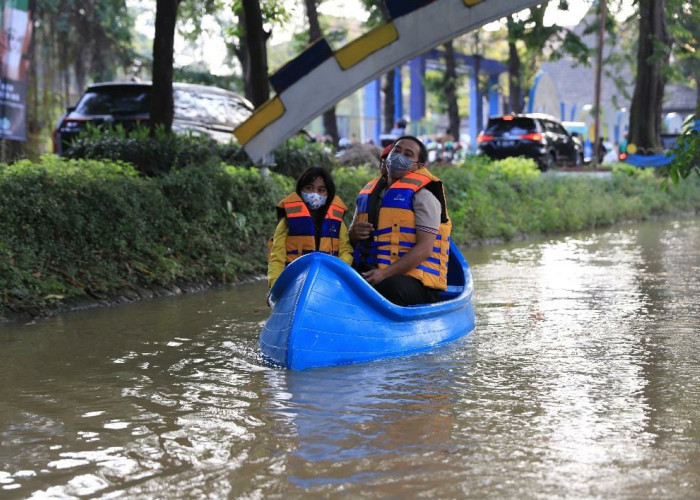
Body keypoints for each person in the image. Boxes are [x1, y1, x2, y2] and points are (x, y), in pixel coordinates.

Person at [349, 136, 452, 306]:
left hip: (416, 282)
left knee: (383, 287)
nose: (399, 156)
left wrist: (384, 273)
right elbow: (351, 237)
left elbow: (425, 249)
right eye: (396, 150)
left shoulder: (424, 197)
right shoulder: (368, 195)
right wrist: (354, 234)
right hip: (375, 272)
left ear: (418, 166)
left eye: (408, 154)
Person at [267, 167, 353, 290]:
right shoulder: (286, 221)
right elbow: (277, 257)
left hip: (327, 281)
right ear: (300, 190)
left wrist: (336, 275)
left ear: (328, 194)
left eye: (321, 190)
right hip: (294, 282)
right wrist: (275, 286)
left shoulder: (337, 222)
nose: (315, 194)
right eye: (309, 188)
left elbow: (346, 251)